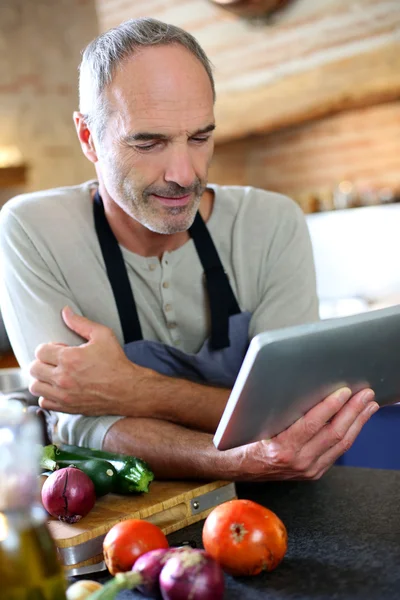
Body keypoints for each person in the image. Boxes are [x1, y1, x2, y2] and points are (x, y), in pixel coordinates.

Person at [0, 18, 378, 482]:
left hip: (289, 505)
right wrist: (230, 460)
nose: (184, 172)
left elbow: (295, 419)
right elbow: (77, 422)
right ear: (88, 138)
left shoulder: (272, 223)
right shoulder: (34, 230)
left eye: (200, 137)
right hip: (134, 522)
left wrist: (133, 389)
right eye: (148, 141)